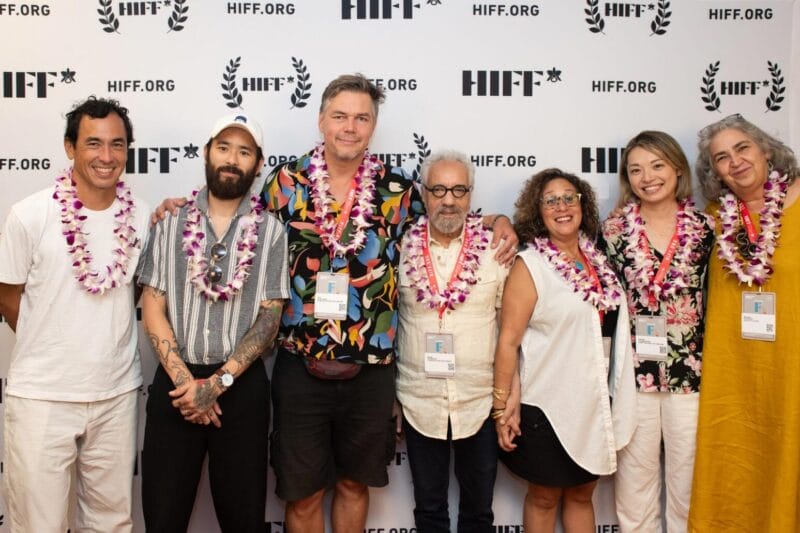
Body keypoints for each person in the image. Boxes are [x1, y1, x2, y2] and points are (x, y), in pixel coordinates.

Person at [262, 73, 518, 532]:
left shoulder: (396, 189)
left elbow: (447, 221)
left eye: (362, 118)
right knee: (302, 497)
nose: (350, 127)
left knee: (353, 487)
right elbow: (243, 234)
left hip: (371, 373)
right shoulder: (285, 182)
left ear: (373, 126)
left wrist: (498, 219)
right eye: (340, 116)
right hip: (301, 366)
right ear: (321, 120)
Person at [0, 97, 149, 532]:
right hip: (42, 398)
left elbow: (138, 291)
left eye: (117, 145)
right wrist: (55, 342)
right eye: (93, 144)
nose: (107, 157)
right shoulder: (29, 215)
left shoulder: (142, 218)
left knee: (111, 523)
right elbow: (9, 298)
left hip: (116, 396)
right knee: (37, 525)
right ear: (69, 148)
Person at [137, 114, 289, 532]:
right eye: (224, 147)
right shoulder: (168, 223)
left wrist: (216, 385)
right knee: (163, 517)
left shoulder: (272, 232)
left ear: (258, 165)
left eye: (244, 152)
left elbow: (269, 318)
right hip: (175, 386)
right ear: (206, 153)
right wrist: (189, 385)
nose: (232, 159)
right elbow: (153, 305)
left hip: (240, 390)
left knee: (243, 520)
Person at [492, 168, 636, 533]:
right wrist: (501, 408)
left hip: (593, 402)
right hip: (548, 406)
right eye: (550, 200)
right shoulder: (532, 265)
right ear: (537, 211)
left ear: (582, 203)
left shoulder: (599, 261)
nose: (561, 206)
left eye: (569, 197)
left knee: (581, 495)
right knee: (543, 497)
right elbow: (508, 340)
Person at [688, 115, 800, 532]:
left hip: (790, 370)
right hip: (733, 377)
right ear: (713, 171)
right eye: (721, 157)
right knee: (735, 468)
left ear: (766, 150)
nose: (734, 162)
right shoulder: (714, 220)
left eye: (742, 149)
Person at [600, 131, 714, 533]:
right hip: (634, 376)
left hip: (692, 375)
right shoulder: (612, 232)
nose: (647, 177)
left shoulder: (706, 229)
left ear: (677, 168)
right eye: (636, 169)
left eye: (657, 165)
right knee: (634, 488)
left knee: (689, 486)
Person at [395, 150, 509, 532]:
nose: (448, 199)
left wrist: (508, 399)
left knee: (479, 512)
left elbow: (512, 332)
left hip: (480, 400)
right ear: (423, 194)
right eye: (439, 189)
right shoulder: (399, 246)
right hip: (417, 398)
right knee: (429, 510)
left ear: (471, 195)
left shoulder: (497, 250)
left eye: (458, 190)